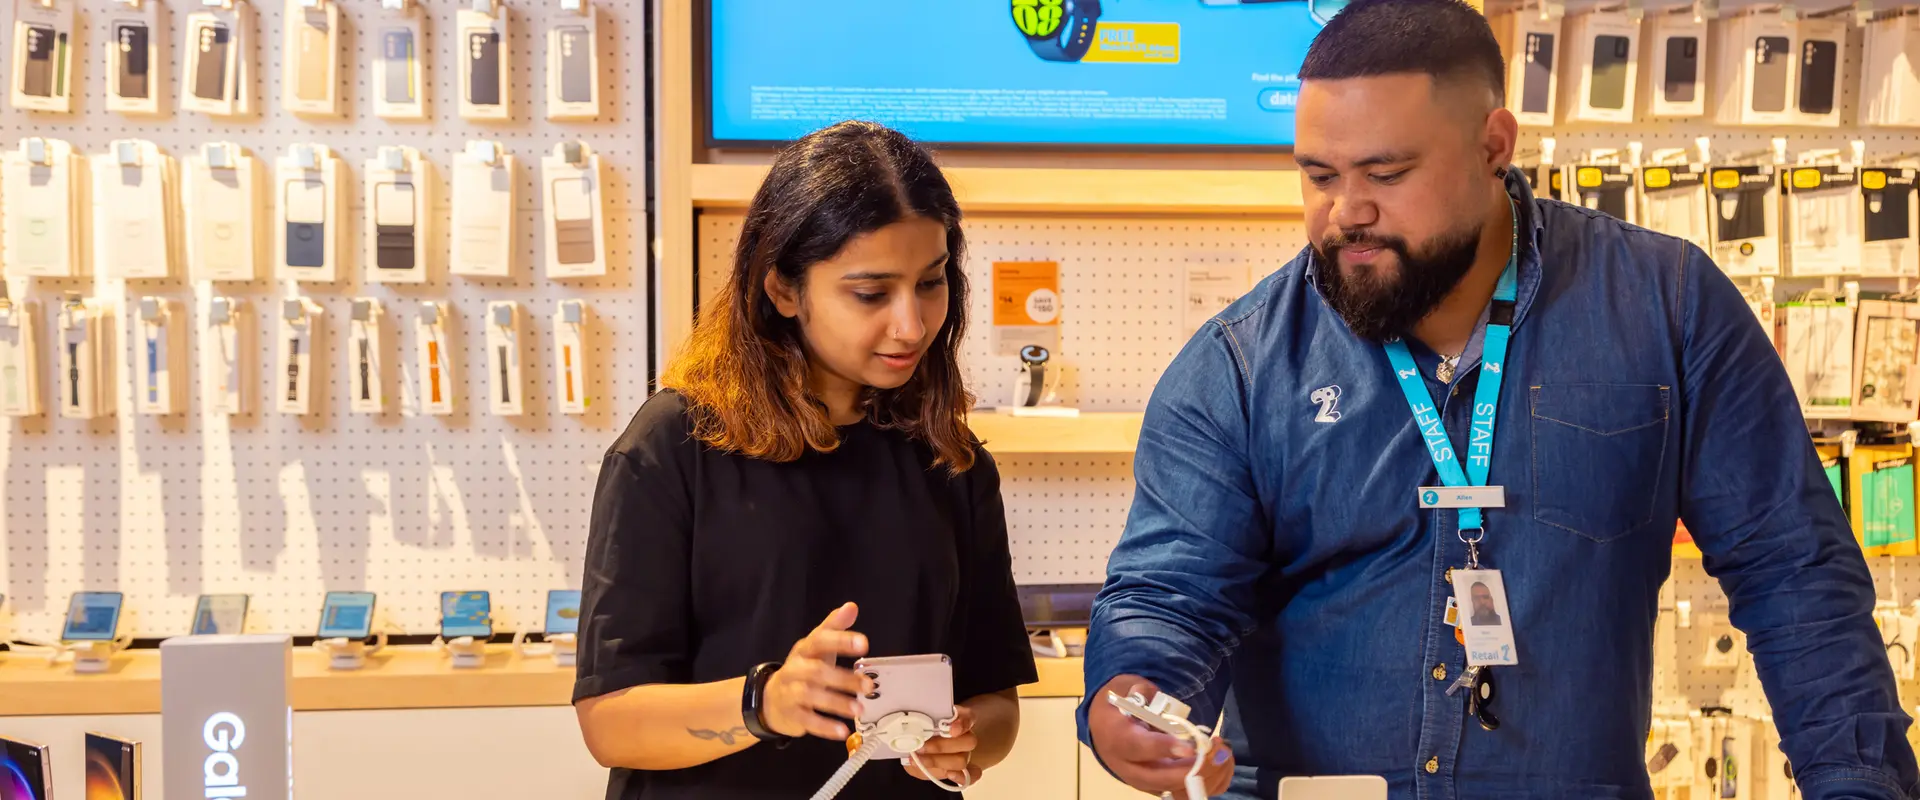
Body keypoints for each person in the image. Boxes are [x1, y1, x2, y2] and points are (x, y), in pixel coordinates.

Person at [1077, 1, 1919, 797]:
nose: (1347, 213)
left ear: (1493, 145)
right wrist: (1131, 696)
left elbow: (1795, 577)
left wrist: (1858, 781)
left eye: (1387, 172)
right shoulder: (1240, 362)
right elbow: (1171, 593)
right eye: (1319, 175)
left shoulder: (1669, 309)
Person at [572, 120, 1037, 799]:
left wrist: (964, 736)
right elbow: (610, 722)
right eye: (871, 293)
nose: (912, 324)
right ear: (783, 288)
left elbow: (996, 702)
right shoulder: (672, 448)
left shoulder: (950, 460)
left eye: (932, 282)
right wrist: (767, 701)